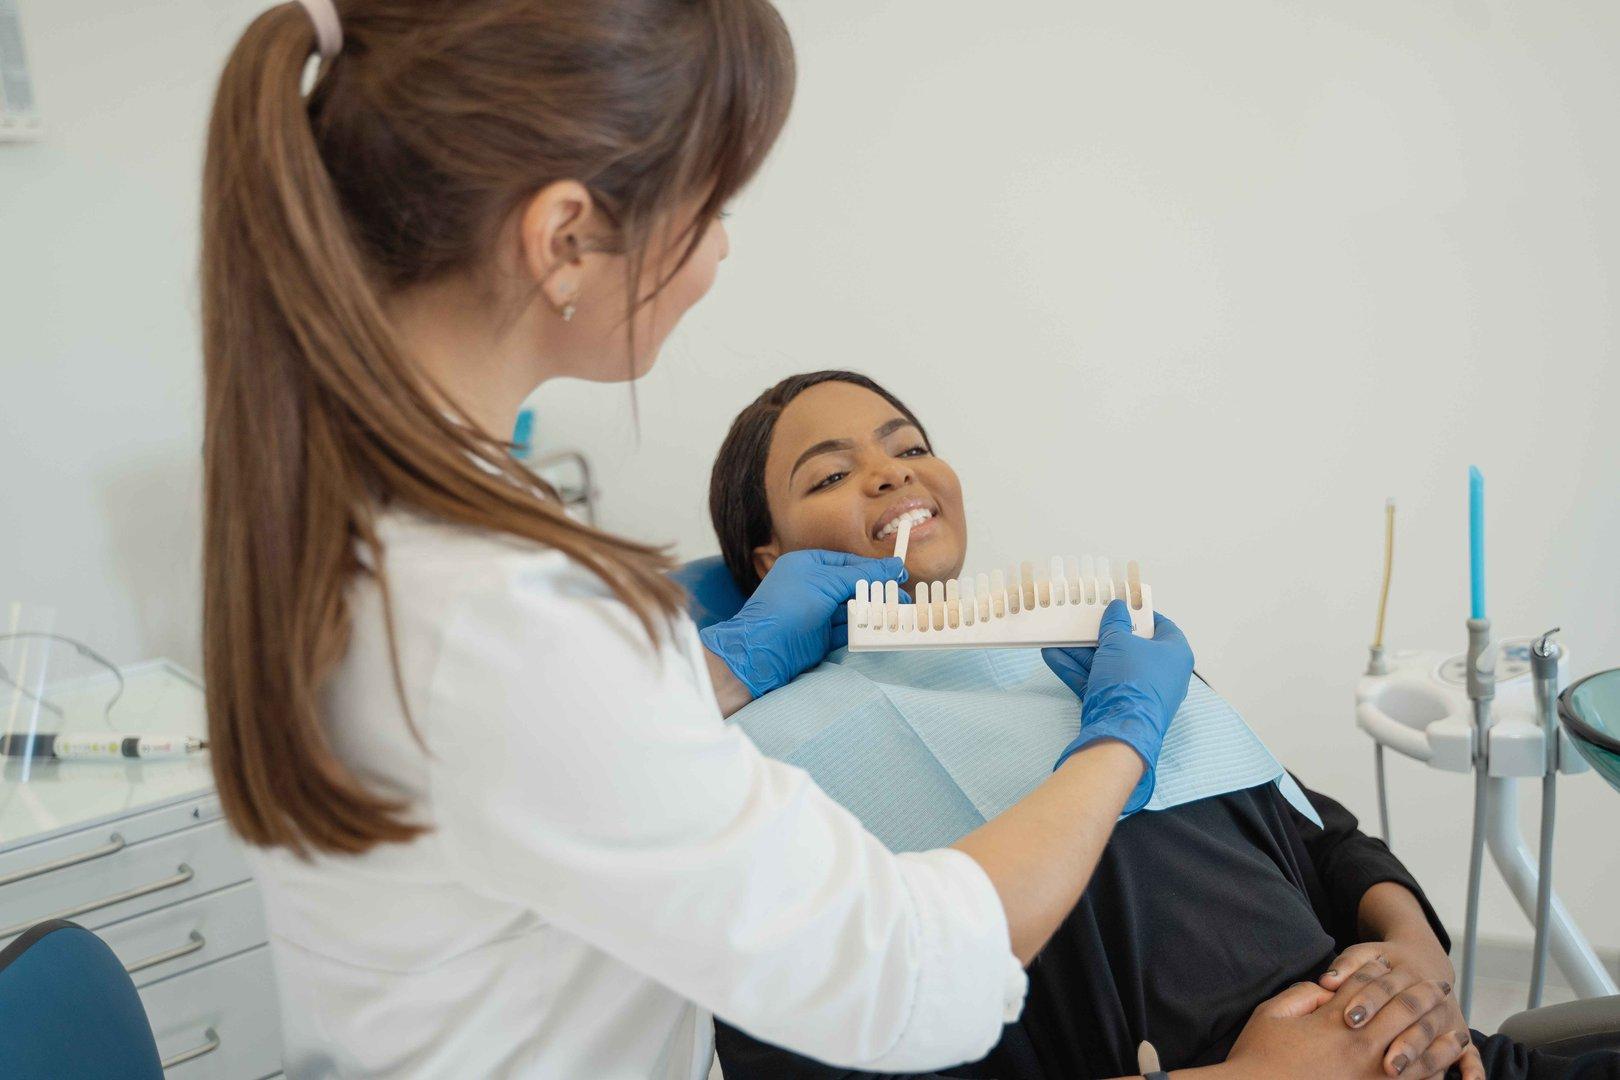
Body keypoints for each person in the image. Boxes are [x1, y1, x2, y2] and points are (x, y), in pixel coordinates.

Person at [200, 3, 1204, 1076]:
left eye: (905, 443)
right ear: (566, 238)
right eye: (709, 202)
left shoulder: (358, 521)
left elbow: (542, 773)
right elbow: (911, 978)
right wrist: (1120, 739)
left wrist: (707, 675)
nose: (720, 244)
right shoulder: (503, 616)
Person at [702, 370, 1620, 1080]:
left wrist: (1417, 966)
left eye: (908, 445)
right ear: (770, 557)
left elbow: (1320, 833)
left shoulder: (1097, 651)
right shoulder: (755, 770)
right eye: (831, 471)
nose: (890, 471)